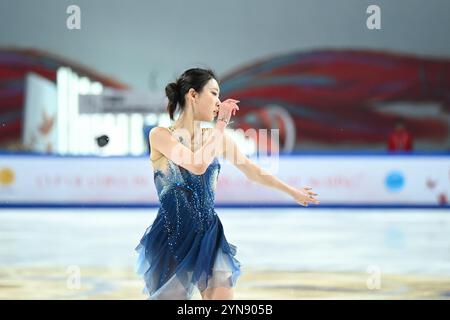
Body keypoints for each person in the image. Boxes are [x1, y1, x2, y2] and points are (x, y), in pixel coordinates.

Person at [135, 68, 320, 300]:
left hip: (209, 235)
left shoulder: (217, 138)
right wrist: (221, 124)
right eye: (214, 94)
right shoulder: (161, 135)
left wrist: (292, 191)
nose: (219, 102)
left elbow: (254, 172)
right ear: (193, 95)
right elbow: (197, 164)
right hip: (172, 235)